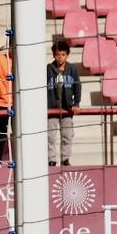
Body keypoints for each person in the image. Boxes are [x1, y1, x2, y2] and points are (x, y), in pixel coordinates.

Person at [45, 38, 82, 168]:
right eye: (57, 54)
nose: (60, 57)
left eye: (63, 54)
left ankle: (65, 159)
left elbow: (77, 87)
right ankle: (51, 160)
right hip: (52, 109)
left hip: (67, 109)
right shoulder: (48, 69)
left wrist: (76, 103)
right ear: (53, 55)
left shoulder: (72, 69)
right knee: (50, 136)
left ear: (67, 55)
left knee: (67, 136)